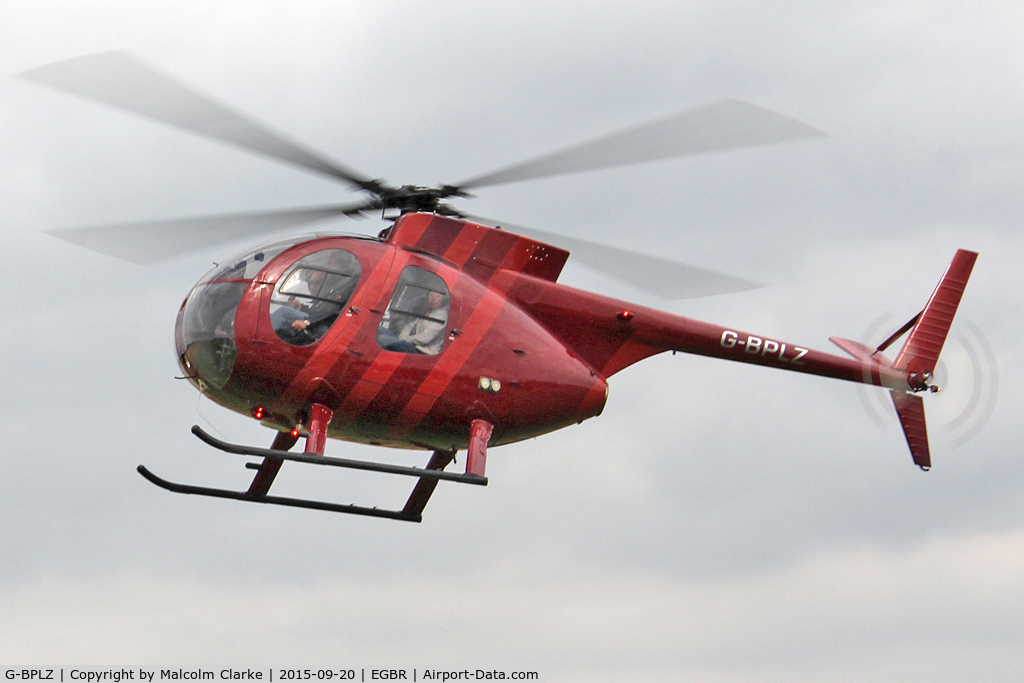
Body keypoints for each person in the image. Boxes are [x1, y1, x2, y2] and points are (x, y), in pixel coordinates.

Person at [378, 289, 449, 355]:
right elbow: (411, 325)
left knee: (382, 339)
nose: (433, 299)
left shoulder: (442, 314)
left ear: (443, 299)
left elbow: (425, 338)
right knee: (379, 330)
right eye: (431, 295)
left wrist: (404, 339)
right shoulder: (430, 311)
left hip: (422, 350)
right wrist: (402, 337)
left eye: (437, 296)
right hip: (411, 342)